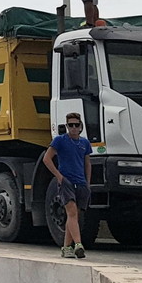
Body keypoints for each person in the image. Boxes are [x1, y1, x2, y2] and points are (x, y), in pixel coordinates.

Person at [43, 111, 92, 258]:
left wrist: (87, 183)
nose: (74, 128)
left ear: (81, 126)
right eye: (71, 125)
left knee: (74, 216)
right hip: (66, 182)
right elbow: (47, 159)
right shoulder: (60, 141)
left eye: (76, 125)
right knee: (71, 212)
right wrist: (59, 177)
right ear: (67, 126)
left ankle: (66, 247)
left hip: (81, 182)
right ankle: (78, 244)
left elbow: (87, 163)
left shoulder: (85, 143)